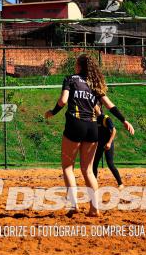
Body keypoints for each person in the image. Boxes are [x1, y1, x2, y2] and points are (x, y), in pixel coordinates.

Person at [45, 54, 134, 216]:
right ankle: (95, 209)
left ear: (79, 65)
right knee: (88, 170)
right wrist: (124, 120)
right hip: (93, 127)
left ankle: (74, 206)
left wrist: (53, 112)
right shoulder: (95, 83)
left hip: (75, 123)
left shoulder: (70, 79)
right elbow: (109, 105)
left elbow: (63, 101)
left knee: (67, 167)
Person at [94, 111, 122, 186]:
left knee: (110, 164)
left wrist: (109, 143)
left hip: (108, 144)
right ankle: (94, 184)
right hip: (99, 144)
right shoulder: (93, 118)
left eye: (94, 104)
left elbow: (114, 130)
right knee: (94, 164)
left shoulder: (105, 118)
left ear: (99, 106)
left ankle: (120, 184)